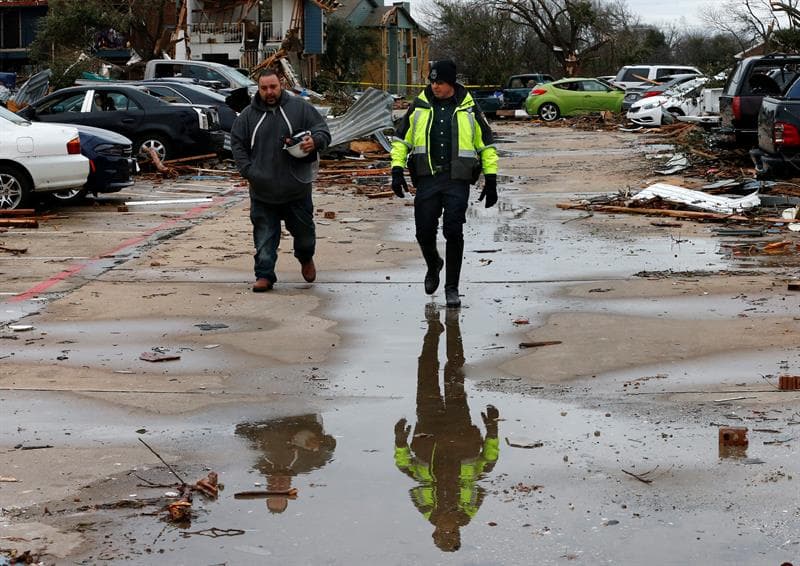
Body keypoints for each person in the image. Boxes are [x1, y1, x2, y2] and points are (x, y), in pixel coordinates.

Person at [391, 60, 499, 308]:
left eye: (440, 82)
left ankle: (452, 288)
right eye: (433, 81)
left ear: (451, 83)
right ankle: (433, 264)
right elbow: (400, 140)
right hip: (427, 178)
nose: (435, 86)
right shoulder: (419, 106)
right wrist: (396, 169)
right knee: (424, 230)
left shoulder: (469, 109)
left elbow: (487, 145)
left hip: (457, 179)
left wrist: (491, 179)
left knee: (453, 231)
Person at [394, 306, 500, 551]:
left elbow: (407, 468)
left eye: (444, 532)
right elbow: (486, 465)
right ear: (458, 532)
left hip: (427, 430)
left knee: (426, 370)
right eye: (451, 532)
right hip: (460, 431)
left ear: (434, 532)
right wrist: (492, 432)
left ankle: (433, 331)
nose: (447, 527)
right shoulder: (469, 508)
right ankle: (453, 328)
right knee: (454, 371)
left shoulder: (425, 507)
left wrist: (400, 442)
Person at [230, 69, 331, 292]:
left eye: (273, 87)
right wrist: (248, 170)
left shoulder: (300, 108)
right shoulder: (248, 116)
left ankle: (305, 258)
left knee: (305, 236)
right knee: (264, 238)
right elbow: (237, 143)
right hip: (263, 192)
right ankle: (264, 275)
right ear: (258, 88)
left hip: (297, 190)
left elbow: (323, 131)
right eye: (264, 88)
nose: (269, 92)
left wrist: (314, 141)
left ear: (281, 84)